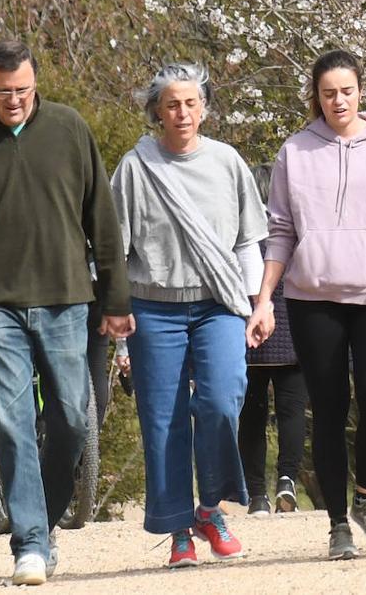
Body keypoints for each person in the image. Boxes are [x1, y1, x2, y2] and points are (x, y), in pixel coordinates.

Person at [0, 39, 133, 586]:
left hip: (66, 300)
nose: (12, 101)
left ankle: (42, 520)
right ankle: (31, 545)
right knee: (14, 426)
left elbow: (102, 221)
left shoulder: (69, 129)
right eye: (1, 93)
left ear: (35, 83)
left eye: (20, 90)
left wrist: (115, 300)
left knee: (70, 416)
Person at [246, 49, 366, 561]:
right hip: (313, 298)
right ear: (317, 96)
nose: (338, 101)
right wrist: (265, 300)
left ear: (361, 92)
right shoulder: (296, 151)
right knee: (328, 410)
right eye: (328, 92)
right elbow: (281, 231)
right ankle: (337, 524)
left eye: (347, 91)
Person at [109, 62, 268, 569]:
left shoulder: (227, 163)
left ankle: (209, 508)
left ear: (204, 108)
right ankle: (178, 527)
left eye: (191, 103)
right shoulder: (135, 168)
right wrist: (115, 326)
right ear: (156, 110)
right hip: (152, 307)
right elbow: (113, 251)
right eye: (171, 104)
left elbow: (248, 240)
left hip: (219, 304)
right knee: (162, 421)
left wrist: (256, 304)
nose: (182, 113)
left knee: (223, 401)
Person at [238, 164, 308, 517]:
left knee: (251, 415)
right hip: (292, 332)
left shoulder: (242, 229)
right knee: (292, 411)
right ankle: (287, 480)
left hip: (249, 334)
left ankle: (256, 495)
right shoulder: (292, 228)